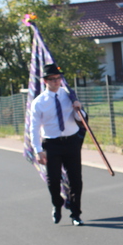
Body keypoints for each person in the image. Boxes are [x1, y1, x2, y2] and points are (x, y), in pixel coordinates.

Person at [29, 63, 85, 226]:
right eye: (52, 79)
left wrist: (78, 109)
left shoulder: (69, 96)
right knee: (53, 180)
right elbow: (34, 128)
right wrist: (38, 150)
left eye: (58, 78)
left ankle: (76, 214)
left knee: (76, 180)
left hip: (71, 141)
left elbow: (81, 119)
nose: (56, 82)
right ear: (45, 81)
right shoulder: (39, 102)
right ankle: (57, 204)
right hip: (52, 143)